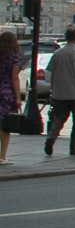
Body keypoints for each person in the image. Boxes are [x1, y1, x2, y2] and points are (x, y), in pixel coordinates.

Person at [43, 27, 75, 157]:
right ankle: (74, 147)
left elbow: (52, 74)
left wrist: (53, 90)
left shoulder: (58, 54)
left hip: (60, 93)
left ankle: (51, 138)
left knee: (59, 118)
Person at [0, 31, 24, 165]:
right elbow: (14, 78)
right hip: (7, 92)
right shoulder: (14, 57)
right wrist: (18, 97)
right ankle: (2, 156)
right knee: (6, 126)